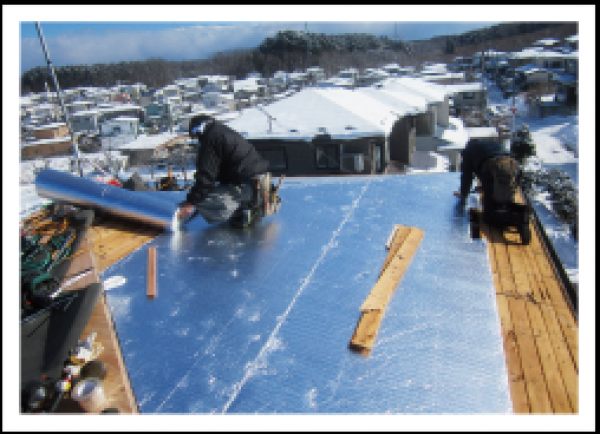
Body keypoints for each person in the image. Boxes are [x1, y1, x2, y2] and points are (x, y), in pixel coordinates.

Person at [177, 115, 273, 226]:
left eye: (195, 136)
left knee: (202, 201)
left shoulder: (211, 138)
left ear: (198, 130)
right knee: (208, 192)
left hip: (248, 185)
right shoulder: (222, 131)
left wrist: (190, 203)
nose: (196, 139)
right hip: (260, 180)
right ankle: (252, 202)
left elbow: (206, 176)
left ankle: (241, 210)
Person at [454, 139, 519, 221]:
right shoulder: (490, 144)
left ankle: (495, 217)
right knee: (507, 190)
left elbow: (467, 176)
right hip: (511, 163)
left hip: (492, 163)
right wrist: (483, 187)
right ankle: (512, 214)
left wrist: (464, 194)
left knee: (490, 212)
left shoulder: (468, 150)